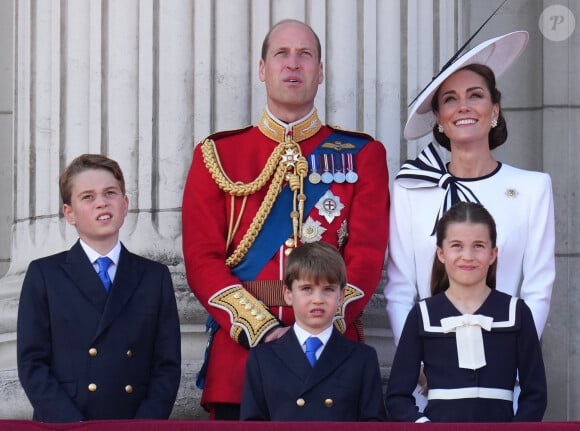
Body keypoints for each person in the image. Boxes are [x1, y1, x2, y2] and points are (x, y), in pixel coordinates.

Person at [182, 19, 389, 419]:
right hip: (241, 356)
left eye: (305, 55)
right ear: (263, 70)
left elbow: (365, 256)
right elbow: (201, 259)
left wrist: (319, 328)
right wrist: (261, 329)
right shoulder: (217, 154)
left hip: (332, 357)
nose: (293, 64)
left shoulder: (363, 154)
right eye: (281, 54)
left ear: (320, 72)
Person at [385, 30, 554, 348]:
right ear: (438, 118)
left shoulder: (533, 188)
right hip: (428, 373)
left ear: (494, 110)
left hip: (504, 365)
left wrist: (515, 362)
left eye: (475, 95)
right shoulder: (410, 188)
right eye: (450, 99)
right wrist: (415, 361)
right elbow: (399, 289)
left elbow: (537, 289)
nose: (463, 106)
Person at [17, 154, 181, 422]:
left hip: (133, 425)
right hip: (66, 424)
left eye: (110, 193)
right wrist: (72, 426)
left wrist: (143, 427)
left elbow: (167, 366)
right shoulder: (45, 274)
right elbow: (32, 364)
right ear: (69, 213)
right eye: (88, 197)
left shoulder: (154, 277)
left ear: (125, 204)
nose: (102, 202)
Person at [386, 202, 547, 422]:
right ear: (441, 253)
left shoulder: (516, 312)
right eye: (457, 246)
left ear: (493, 254)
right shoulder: (422, 314)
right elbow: (397, 397)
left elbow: (536, 394)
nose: (468, 256)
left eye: (478, 245)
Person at [240, 241, 386, 421]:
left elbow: (373, 423)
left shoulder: (362, 358)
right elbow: (253, 424)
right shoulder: (262, 358)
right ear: (288, 294)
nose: (318, 299)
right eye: (307, 289)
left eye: (328, 289)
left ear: (341, 296)